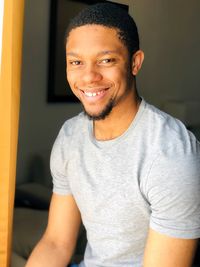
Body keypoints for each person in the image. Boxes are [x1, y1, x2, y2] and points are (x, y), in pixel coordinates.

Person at [25, 3, 200, 267]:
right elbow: (56, 243)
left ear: (134, 63)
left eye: (106, 60)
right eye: (76, 62)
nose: (89, 77)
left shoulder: (172, 154)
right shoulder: (70, 137)